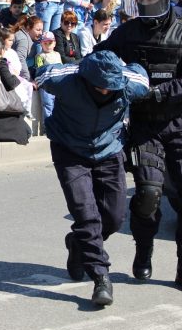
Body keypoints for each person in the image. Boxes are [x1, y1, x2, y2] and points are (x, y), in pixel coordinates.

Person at [94, 0, 182, 294]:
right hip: (145, 127)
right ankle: (143, 250)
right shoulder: (128, 33)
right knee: (147, 195)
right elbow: (100, 60)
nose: (145, 4)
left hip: (180, 124)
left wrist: (154, 93)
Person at [36, 50, 149, 306]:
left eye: (112, 87)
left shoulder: (129, 84)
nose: (107, 91)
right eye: (101, 87)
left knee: (114, 217)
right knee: (86, 215)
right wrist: (76, 65)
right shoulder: (67, 80)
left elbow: (143, 80)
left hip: (109, 150)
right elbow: (41, 76)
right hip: (70, 151)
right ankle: (100, 277)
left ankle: (78, 244)